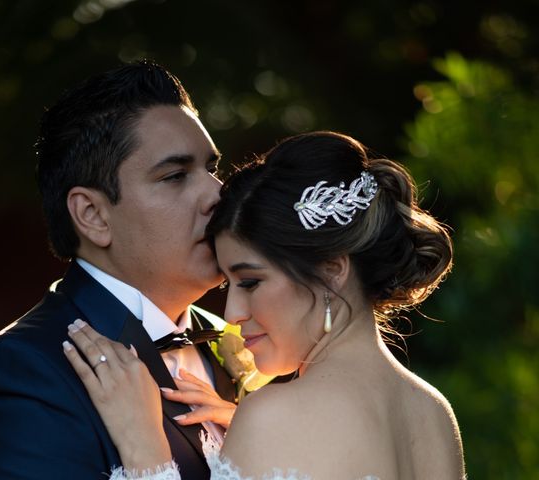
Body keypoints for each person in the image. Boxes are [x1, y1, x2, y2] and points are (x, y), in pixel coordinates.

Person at [63, 131, 467, 479]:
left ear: (331, 270)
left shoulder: (273, 416)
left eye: (251, 282)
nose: (232, 314)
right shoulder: (433, 413)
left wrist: (145, 450)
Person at [0, 60, 239, 480]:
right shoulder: (25, 373)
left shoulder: (245, 340)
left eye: (211, 169)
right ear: (93, 216)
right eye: (175, 175)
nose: (217, 193)